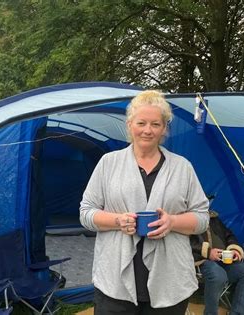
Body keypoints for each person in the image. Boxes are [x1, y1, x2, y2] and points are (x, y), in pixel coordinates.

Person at [79, 90, 210, 315]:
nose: (148, 130)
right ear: (129, 125)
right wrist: (117, 220)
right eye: (141, 123)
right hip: (115, 284)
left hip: (169, 282)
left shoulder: (182, 167)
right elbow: (86, 213)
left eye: (155, 124)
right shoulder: (108, 163)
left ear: (164, 129)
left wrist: (173, 222)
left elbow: (202, 218)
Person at [190, 210, 244, 315]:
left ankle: (238, 313)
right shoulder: (188, 218)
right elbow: (186, 243)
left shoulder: (213, 218)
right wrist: (208, 252)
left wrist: (234, 249)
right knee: (218, 275)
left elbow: (229, 235)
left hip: (224, 260)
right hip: (202, 261)